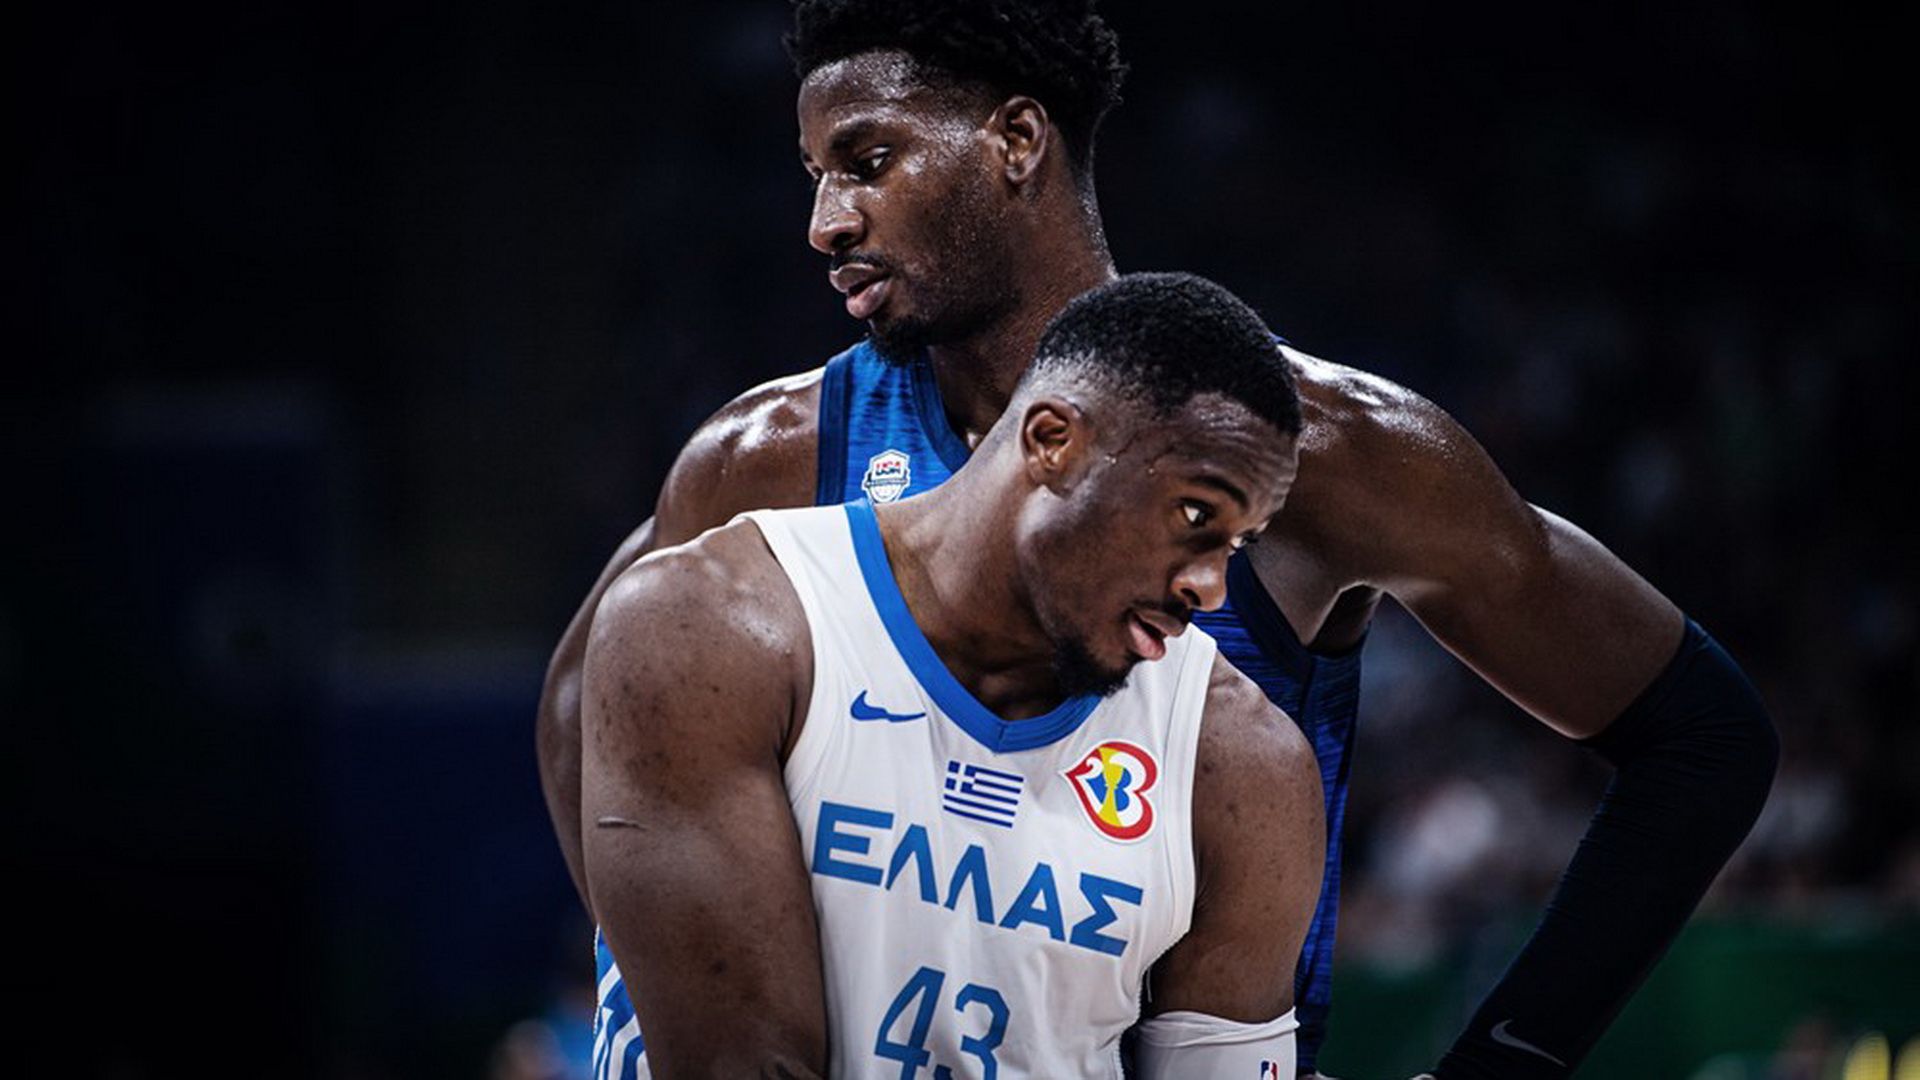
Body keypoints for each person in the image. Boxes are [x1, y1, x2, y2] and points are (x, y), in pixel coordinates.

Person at [540, 2, 1780, 1076]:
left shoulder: (1333, 454)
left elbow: (1705, 739)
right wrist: (692, 962)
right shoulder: (771, 456)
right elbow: (586, 707)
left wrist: (1505, 1063)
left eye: (869, 160)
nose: (825, 223)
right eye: (816, 173)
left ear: (1017, 141)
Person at [583, 273, 1326, 1078]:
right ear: (1053, 441)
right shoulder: (714, 625)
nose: (1210, 587)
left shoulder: (1242, 766)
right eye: (1195, 515)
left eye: (1237, 545)